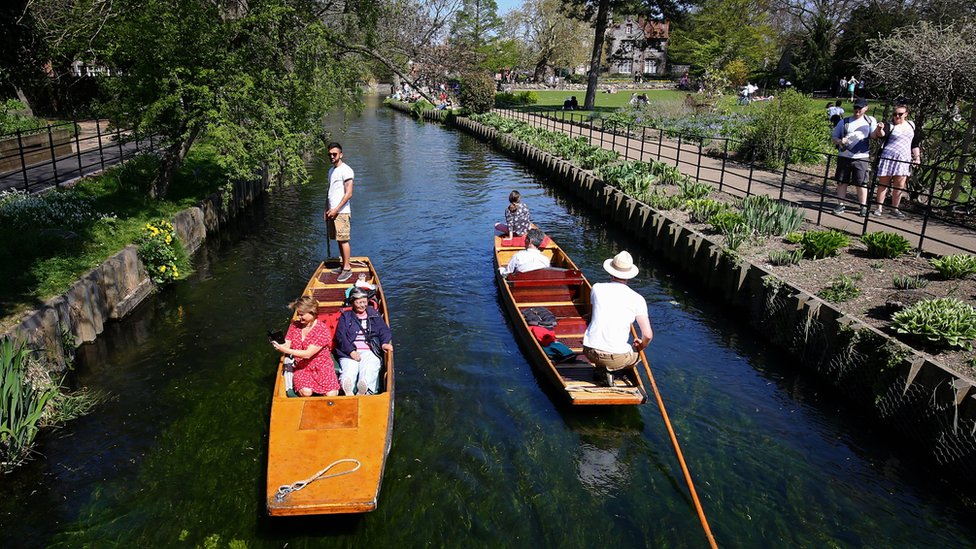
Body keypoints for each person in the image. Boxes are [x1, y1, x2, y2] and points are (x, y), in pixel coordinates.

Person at [582, 251, 653, 387]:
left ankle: (601, 368)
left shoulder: (597, 288)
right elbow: (648, 335)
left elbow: (593, 314)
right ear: (629, 275)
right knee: (637, 354)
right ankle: (611, 370)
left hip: (589, 351)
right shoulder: (637, 299)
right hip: (616, 358)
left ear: (611, 271)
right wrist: (641, 345)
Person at [272, 295, 340, 397]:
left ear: (312, 313)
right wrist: (279, 344)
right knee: (306, 392)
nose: (298, 317)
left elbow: (308, 354)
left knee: (331, 394)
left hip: (321, 366)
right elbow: (288, 343)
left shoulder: (321, 330)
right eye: (298, 314)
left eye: (301, 314)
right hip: (302, 366)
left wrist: (285, 350)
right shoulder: (294, 325)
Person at [335, 287, 393, 396]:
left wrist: (384, 342)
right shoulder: (345, 316)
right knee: (349, 370)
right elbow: (340, 336)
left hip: (369, 350)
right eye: (359, 302)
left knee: (370, 367)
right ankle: (347, 389)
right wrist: (351, 351)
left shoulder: (373, 314)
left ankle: (365, 388)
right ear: (352, 303)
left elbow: (384, 330)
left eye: (365, 302)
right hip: (349, 352)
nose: (363, 305)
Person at [871, 104, 921, 218]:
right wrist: (879, 129)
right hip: (888, 157)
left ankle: (895, 208)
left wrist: (917, 157)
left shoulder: (911, 125)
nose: (897, 116)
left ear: (906, 114)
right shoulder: (890, 125)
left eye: (900, 114)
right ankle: (879, 208)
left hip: (904, 158)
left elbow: (915, 143)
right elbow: (882, 135)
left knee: (899, 185)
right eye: (895, 114)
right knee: (884, 183)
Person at [831, 98, 877, 216]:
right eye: (855, 108)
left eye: (860, 108)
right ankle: (840, 204)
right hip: (844, 156)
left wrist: (880, 130)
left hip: (861, 156)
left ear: (866, 108)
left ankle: (863, 206)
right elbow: (834, 138)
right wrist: (841, 141)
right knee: (842, 181)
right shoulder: (844, 121)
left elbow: (874, 135)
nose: (857, 110)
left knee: (861, 183)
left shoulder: (870, 121)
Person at [324, 142, 355, 282]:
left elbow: (349, 193)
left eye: (334, 154)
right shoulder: (331, 171)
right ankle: (343, 265)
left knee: (344, 239)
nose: (332, 156)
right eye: (330, 154)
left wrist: (336, 209)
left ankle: (347, 268)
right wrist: (326, 209)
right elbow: (329, 192)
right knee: (338, 238)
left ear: (340, 154)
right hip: (332, 211)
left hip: (341, 212)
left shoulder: (346, 170)